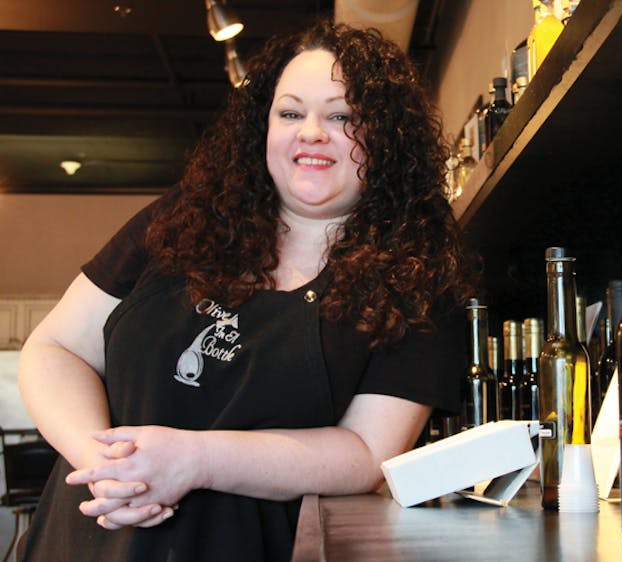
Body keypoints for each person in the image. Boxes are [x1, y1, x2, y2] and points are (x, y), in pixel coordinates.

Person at [16, 18, 477, 562]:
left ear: (387, 139)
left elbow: (366, 451)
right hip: (88, 536)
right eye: (290, 112)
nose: (310, 131)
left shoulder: (415, 277)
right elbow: (56, 350)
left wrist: (195, 459)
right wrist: (108, 465)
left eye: (342, 116)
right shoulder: (182, 219)